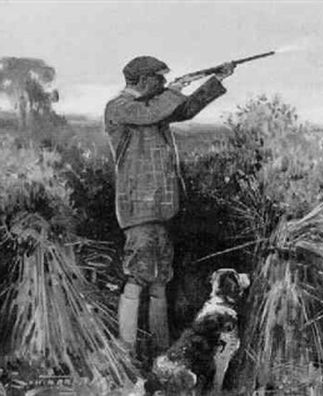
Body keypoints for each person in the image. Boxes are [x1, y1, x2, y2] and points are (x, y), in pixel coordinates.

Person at [104, 56, 234, 356]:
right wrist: (174, 89)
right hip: (139, 208)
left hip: (161, 208)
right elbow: (151, 112)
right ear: (143, 80)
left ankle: (160, 349)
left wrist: (216, 80)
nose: (162, 83)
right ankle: (126, 349)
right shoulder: (120, 107)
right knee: (137, 276)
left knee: (161, 279)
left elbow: (184, 110)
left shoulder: (153, 105)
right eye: (158, 79)